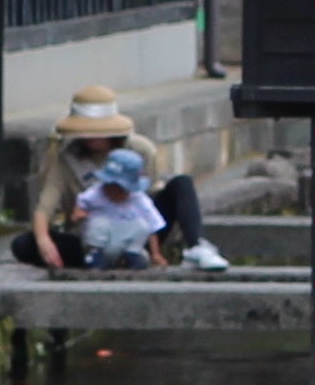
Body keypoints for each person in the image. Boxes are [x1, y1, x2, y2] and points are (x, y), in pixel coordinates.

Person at [16, 86, 230, 270]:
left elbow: (149, 198)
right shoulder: (66, 160)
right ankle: (98, 259)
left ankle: (196, 247)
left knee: (181, 183)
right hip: (92, 238)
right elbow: (44, 208)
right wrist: (45, 242)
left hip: (135, 231)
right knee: (23, 244)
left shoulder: (141, 150)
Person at [74, 149, 167, 268]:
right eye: (110, 186)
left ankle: (131, 256)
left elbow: (153, 225)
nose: (114, 191)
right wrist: (80, 215)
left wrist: (156, 253)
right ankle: (95, 255)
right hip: (102, 240)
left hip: (124, 240)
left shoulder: (139, 199)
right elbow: (80, 206)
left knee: (142, 226)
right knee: (98, 223)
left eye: (120, 188)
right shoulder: (96, 193)